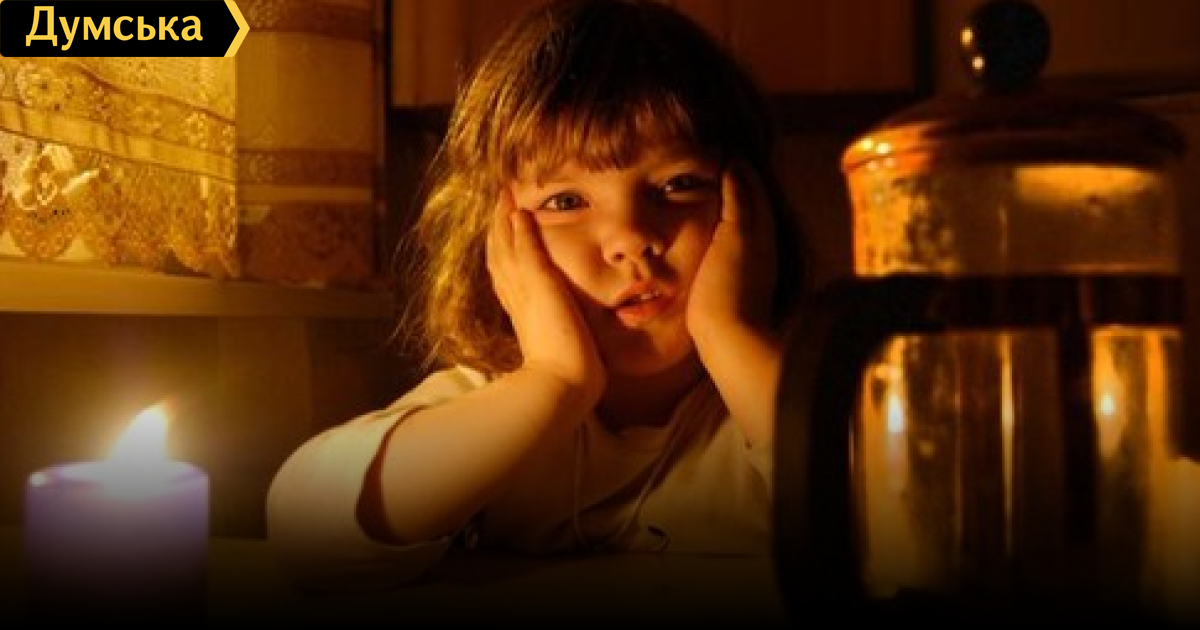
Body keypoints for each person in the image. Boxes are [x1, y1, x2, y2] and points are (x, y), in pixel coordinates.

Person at [265, 0, 806, 593]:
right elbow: (305, 529)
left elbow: (888, 521)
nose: (630, 238)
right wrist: (556, 381)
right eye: (565, 202)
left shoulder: (779, 389)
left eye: (678, 185)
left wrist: (732, 335)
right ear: (497, 241)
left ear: (754, 211)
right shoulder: (493, 397)